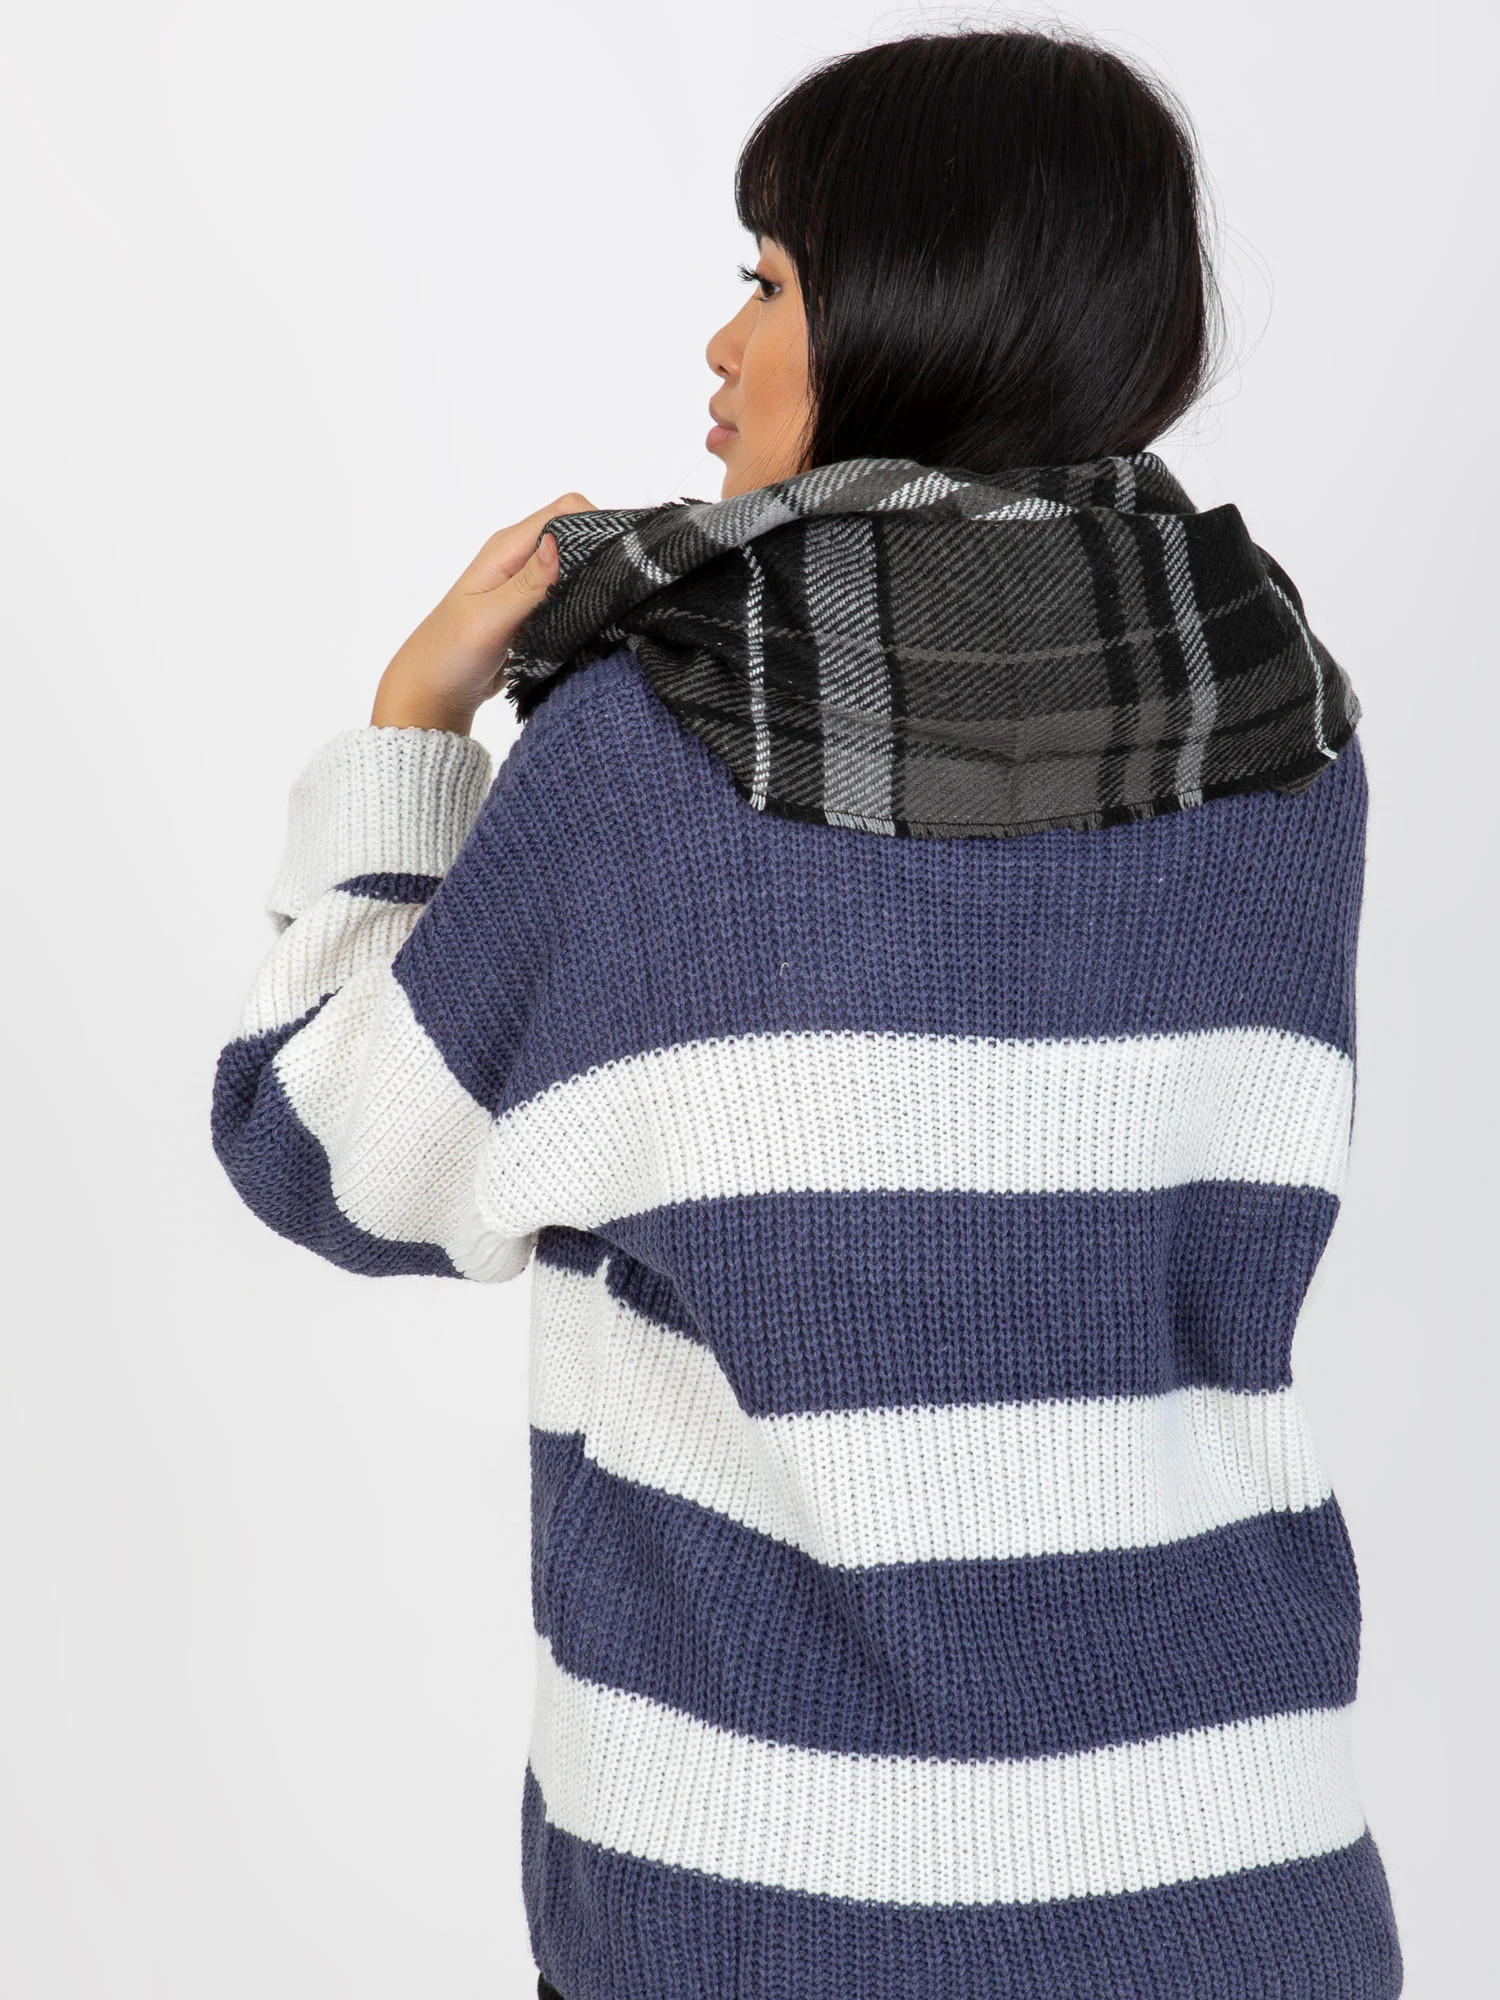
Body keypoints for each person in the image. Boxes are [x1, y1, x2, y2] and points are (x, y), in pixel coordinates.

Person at [211, 27, 1403, 2000]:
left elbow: (329, 1154)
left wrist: (409, 735)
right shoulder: (1283, 729)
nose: (723, 347)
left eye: (767, 284)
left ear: (927, 307)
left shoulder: (662, 745)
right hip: (1241, 1876)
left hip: (772, 1909)